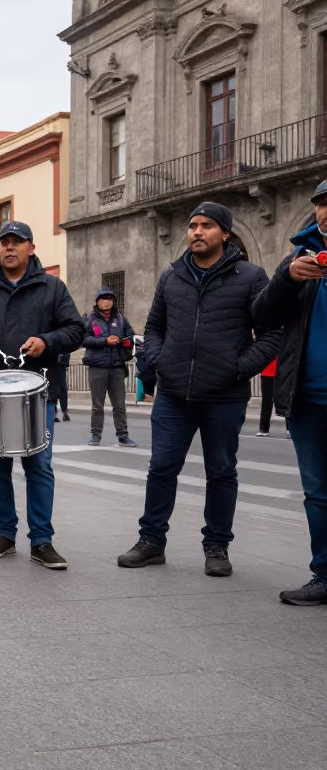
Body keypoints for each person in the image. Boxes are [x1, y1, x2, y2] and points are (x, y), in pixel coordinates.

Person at [117, 203, 281, 577]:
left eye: (207, 225)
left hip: (224, 396)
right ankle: (151, 541)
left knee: (221, 471)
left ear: (224, 233)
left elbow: (272, 334)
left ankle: (217, 546)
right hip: (174, 394)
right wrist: (158, 360)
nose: (197, 231)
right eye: (193, 225)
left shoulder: (251, 277)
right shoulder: (171, 276)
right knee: (161, 468)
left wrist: (238, 369)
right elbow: (154, 326)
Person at [0, 220, 84, 570]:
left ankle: (42, 540)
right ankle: (4, 534)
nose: (9, 247)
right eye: (3, 242)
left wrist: (47, 341)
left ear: (31, 248)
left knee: (39, 466)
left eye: (17, 242)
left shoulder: (52, 288)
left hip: (38, 392)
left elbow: (74, 330)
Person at [252, 186, 327, 604]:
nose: (326, 211)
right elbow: (261, 315)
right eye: (322, 203)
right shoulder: (299, 260)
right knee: (318, 495)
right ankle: (324, 575)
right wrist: (285, 279)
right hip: (307, 398)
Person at [82, 288, 138, 447]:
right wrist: (105, 341)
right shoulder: (89, 319)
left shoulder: (120, 319)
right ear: (97, 301)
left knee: (119, 405)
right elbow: (83, 340)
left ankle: (123, 436)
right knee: (97, 405)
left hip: (117, 367)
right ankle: (95, 435)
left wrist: (124, 341)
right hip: (97, 367)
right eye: (103, 298)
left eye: (110, 299)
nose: (107, 302)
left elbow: (131, 337)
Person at [257, 356, 278, 437]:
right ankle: (263, 429)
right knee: (266, 402)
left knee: (284, 401)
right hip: (267, 373)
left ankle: (289, 428)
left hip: (280, 373)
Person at [50, 352, 71, 422]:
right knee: (55, 391)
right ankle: (56, 413)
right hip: (53, 369)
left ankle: (63, 412)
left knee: (62, 391)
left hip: (59, 369)